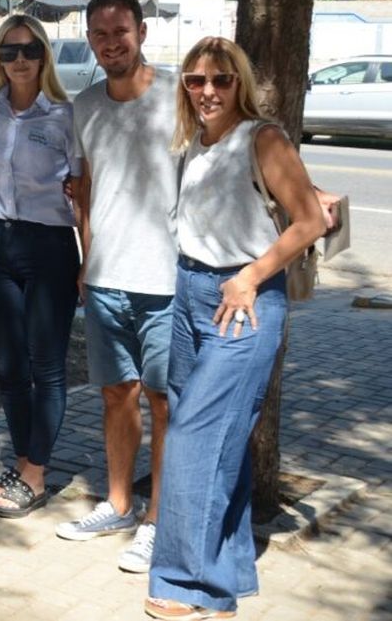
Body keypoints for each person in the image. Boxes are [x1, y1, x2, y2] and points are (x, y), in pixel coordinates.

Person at [144, 38, 325, 621]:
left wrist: (250, 277)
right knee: (222, 448)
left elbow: (310, 220)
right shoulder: (194, 142)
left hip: (243, 302)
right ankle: (229, 577)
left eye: (220, 80)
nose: (207, 91)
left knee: (196, 440)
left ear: (238, 83)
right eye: (195, 81)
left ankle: (185, 583)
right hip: (192, 294)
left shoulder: (262, 138)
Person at [61, 0, 177, 573]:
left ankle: (160, 521)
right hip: (106, 275)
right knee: (115, 395)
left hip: (168, 280)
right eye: (100, 35)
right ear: (90, 40)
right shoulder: (84, 105)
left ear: (141, 32)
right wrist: (86, 258)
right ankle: (119, 504)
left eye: (120, 32)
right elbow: (81, 189)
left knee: (164, 401)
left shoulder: (179, 96)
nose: (111, 43)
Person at [0, 15, 83, 519]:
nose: (18, 60)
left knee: (47, 368)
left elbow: (82, 190)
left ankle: (37, 475)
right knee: (10, 368)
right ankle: (24, 465)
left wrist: (90, 256)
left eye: (28, 50)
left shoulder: (64, 116)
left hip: (50, 245)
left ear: (44, 56)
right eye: (8, 52)